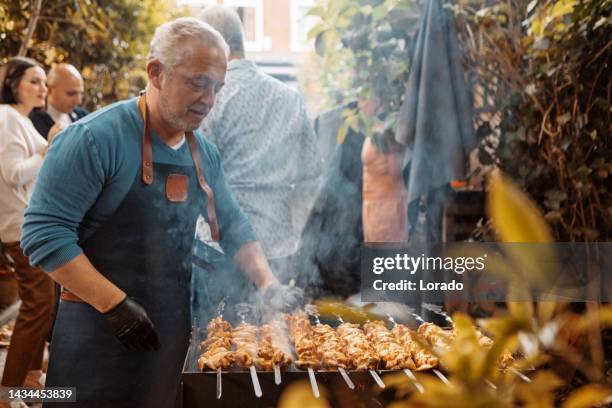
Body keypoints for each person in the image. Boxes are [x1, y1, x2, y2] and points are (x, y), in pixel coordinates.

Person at [21, 18, 300, 407]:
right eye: (197, 82)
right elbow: (42, 235)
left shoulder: (203, 153)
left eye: (216, 87)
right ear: (156, 72)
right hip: (95, 336)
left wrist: (269, 284)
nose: (209, 99)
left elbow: (234, 227)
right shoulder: (93, 139)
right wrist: (115, 305)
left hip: (168, 336)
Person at [193, 5, 321, 320]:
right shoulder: (290, 98)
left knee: (218, 347)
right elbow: (310, 174)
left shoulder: (207, 99)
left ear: (212, 45)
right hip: (279, 246)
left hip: (218, 247)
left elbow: (195, 174)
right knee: (274, 343)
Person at [0, 57, 55, 396]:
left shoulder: (19, 120)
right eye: (34, 80)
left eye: (43, 82)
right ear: (13, 82)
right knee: (38, 306)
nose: (42, 88)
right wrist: (50, 149)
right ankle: (8, 391)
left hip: (30, 224)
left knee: (43, 304)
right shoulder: (6, 117)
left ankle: (30, 382)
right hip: (20, 226)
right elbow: (14, 174)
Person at [29, 63, 88, 140]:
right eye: (71, 94)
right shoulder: (32, 120)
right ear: (50, 90)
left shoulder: (83, 116)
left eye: (80, 93)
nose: (78, 101)